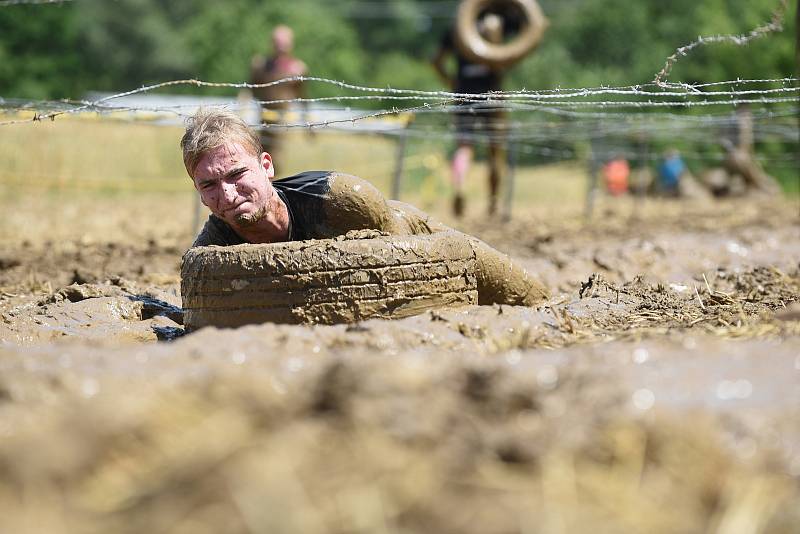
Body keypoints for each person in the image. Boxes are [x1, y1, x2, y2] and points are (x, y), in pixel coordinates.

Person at [181, 108, 549, 307]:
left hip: (415, 234)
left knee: (534, 299)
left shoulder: (337, 200)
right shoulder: (211, 251)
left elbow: (411, 262)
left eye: (236, 175)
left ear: (266, 166)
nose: (227, 196)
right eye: (209, 185)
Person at [432, 14, 508, 217]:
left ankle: (459, 187)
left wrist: (451, 82)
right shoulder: (496, 24)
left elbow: (437, 61)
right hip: (493, 96)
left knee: (464, 146)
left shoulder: (455, 29)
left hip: (463, 94)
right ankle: (493, 203)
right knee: (494, 150)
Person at [248, 25, 308, 161]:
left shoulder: (298, 69)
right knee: (258, 156)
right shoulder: (260, 65)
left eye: (284, 42)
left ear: (291, 43)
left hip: (284, 120)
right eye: (278, 42)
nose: (281, 46)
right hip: (263, 117)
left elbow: (303, 96)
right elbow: (251, 89)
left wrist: (308, 123)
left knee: (278, 161)